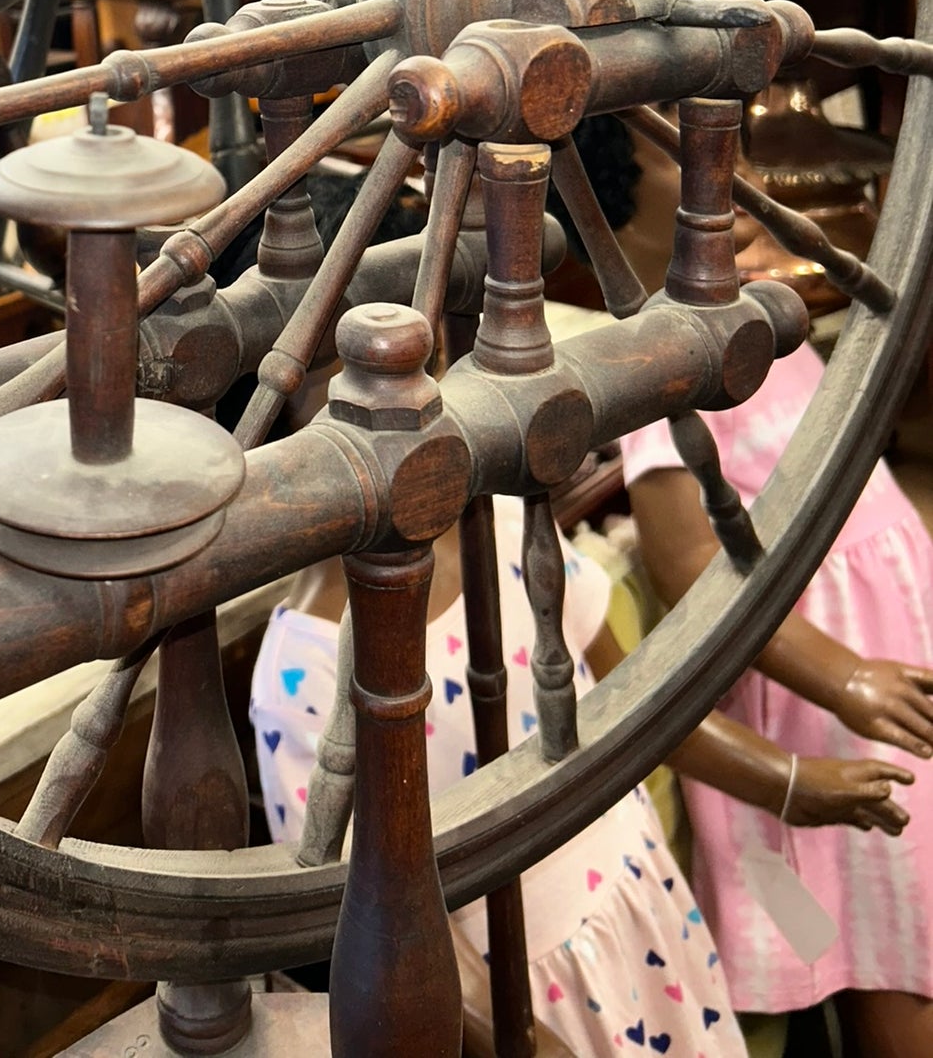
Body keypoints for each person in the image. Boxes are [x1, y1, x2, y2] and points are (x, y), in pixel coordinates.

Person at [252, 493, 911, 1058]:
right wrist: (526, 1041)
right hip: (520, 987)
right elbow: (392, 928)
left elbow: (628, 704)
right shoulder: (301, 677)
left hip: (640, 907)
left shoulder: (506, 526)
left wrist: (784, 781)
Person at [625, 341, 933, 1057]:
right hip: (820, 710)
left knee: (910, 895)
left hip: (886, 670)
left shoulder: (776, 333)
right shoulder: (674, 369)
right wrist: (843, 675)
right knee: (875, 932)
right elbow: (684, 560)